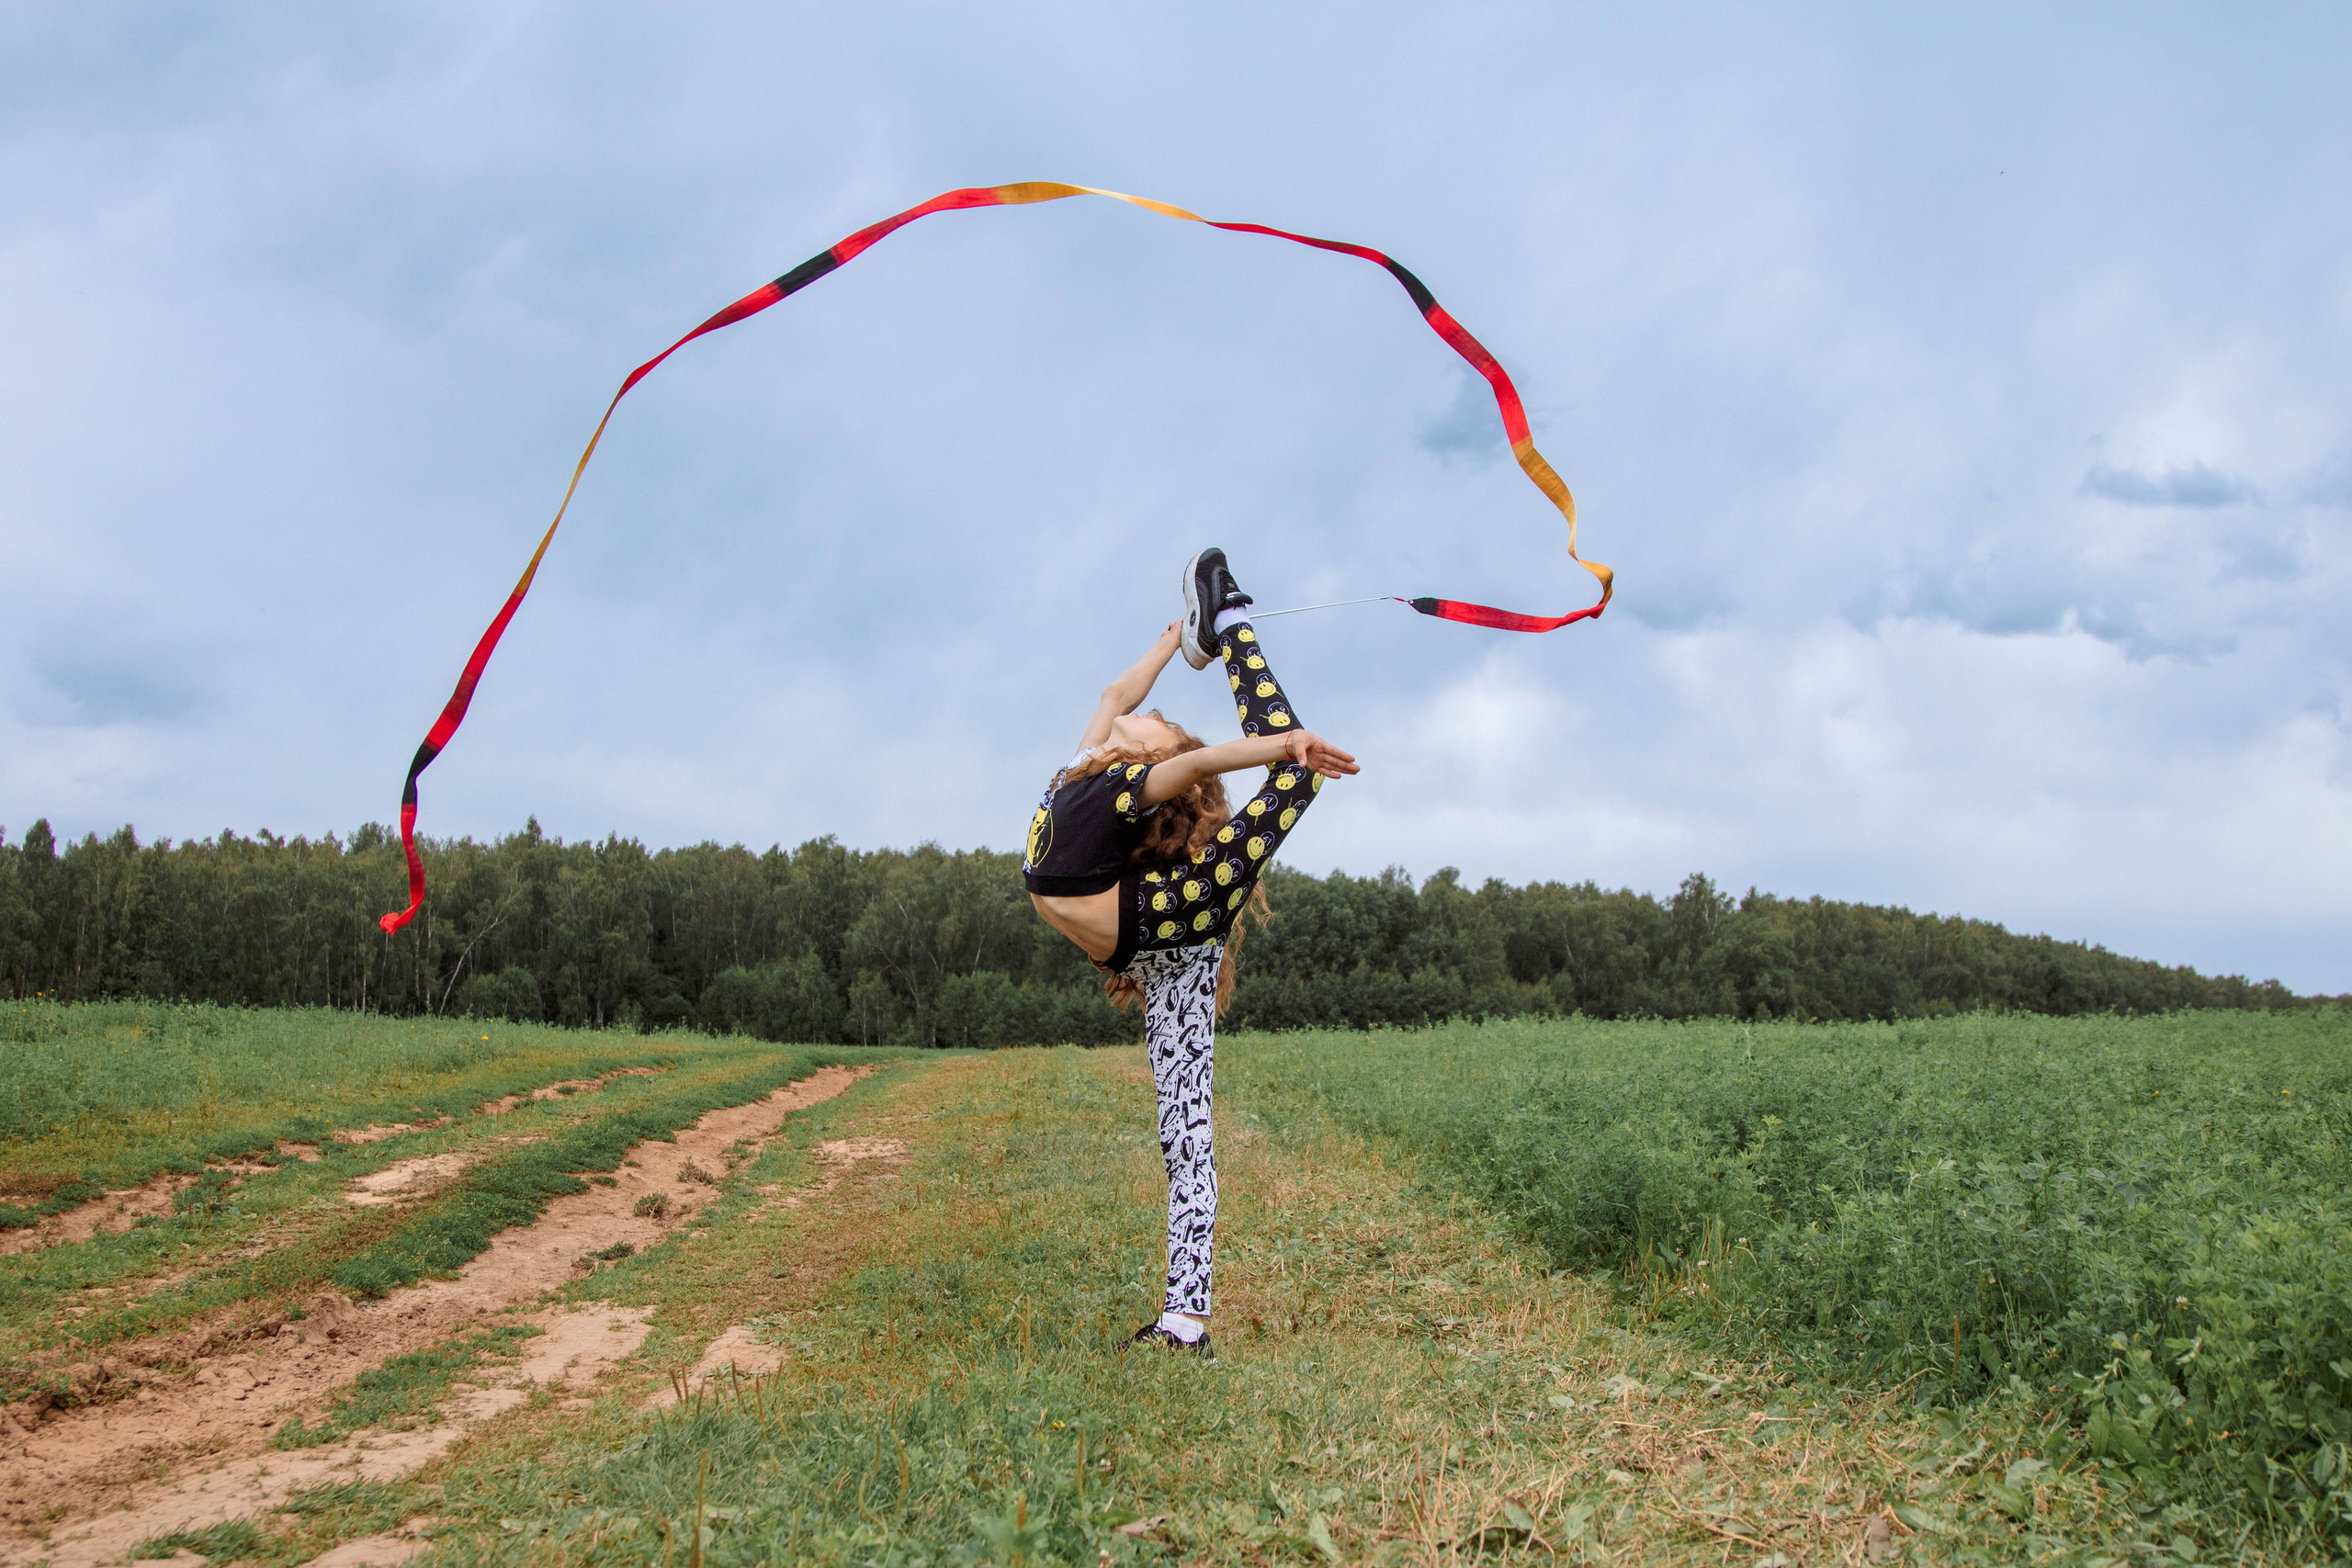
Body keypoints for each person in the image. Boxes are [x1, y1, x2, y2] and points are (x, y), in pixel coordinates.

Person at [1023, 548, 1359, 1360]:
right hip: (1147, 945)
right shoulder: (1083, 771)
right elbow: (1114, 695)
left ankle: (1184, 1323)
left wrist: (1285, 748)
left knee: (1187, 1131)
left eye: (1155, 726)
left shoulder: (1134, 781)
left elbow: (1204, 762)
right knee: (1182, 1131)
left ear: (1152, 758)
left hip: (1179, 917)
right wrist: (1174, 642)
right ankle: (1221, 624)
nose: (1145, 717)